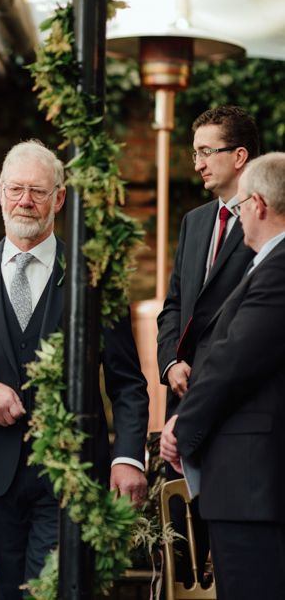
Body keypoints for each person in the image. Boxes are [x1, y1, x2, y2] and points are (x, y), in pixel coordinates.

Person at [0, 140, 149, 599]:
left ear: (60, 198)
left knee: (50, 593)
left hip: (69, 469)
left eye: (37, 191)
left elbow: (128, 383)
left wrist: (128, 457)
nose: (25, 201)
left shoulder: (93, 275)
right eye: (15, 190)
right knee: (12, 592)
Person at [160, 151, 285, 600]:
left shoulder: (279, 267)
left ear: (258, 205)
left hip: (255, 483)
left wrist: (183, 427)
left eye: (243, 206)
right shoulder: (268, 265)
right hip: (250, 482)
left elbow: (233, 359)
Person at [156, 105, 259, 581]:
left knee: (237, 553)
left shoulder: (270, 217)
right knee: (187, 552)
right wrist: (170, 363)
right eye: (193, 152)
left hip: (237, 406)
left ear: (239, 156)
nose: (196, 163)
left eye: (205, 152)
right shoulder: (194, 221)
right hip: (184, 396)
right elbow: (174, 304)